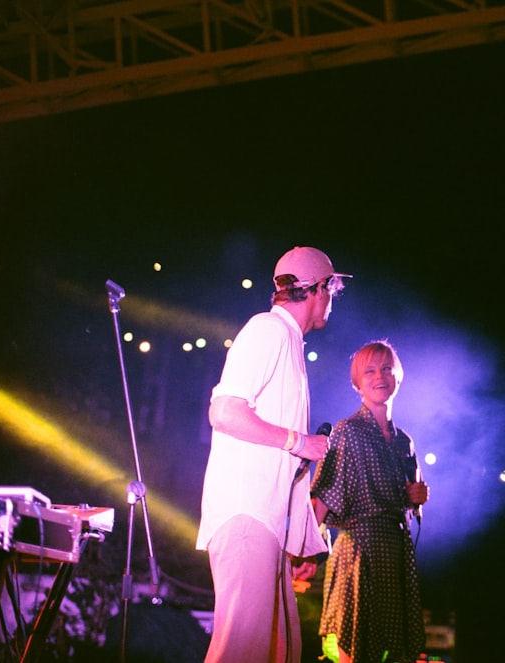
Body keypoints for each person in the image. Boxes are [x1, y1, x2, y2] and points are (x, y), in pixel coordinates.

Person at [196, 246, 351, 663]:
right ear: (318, 288)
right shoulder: (267, 329)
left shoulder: (288, 341)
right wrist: (301, 442)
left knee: (278, 650)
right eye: (332, 288)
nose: (332, 298)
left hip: (266, 525)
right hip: (248, 517)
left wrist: (298, 540)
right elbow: (224, 411)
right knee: (241, 653)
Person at [310, 340, 429, 663]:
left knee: (393, 651)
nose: (380, 376)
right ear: (357, 382)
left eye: (387, 368)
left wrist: (414, 498)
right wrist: (302, 553)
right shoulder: (347, 431)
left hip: (395, 548)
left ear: (398, 377)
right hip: (358, 550)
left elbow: (406, 494)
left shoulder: (404, 440)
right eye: (371, 370)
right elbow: (323, 496)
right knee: (353, 647)